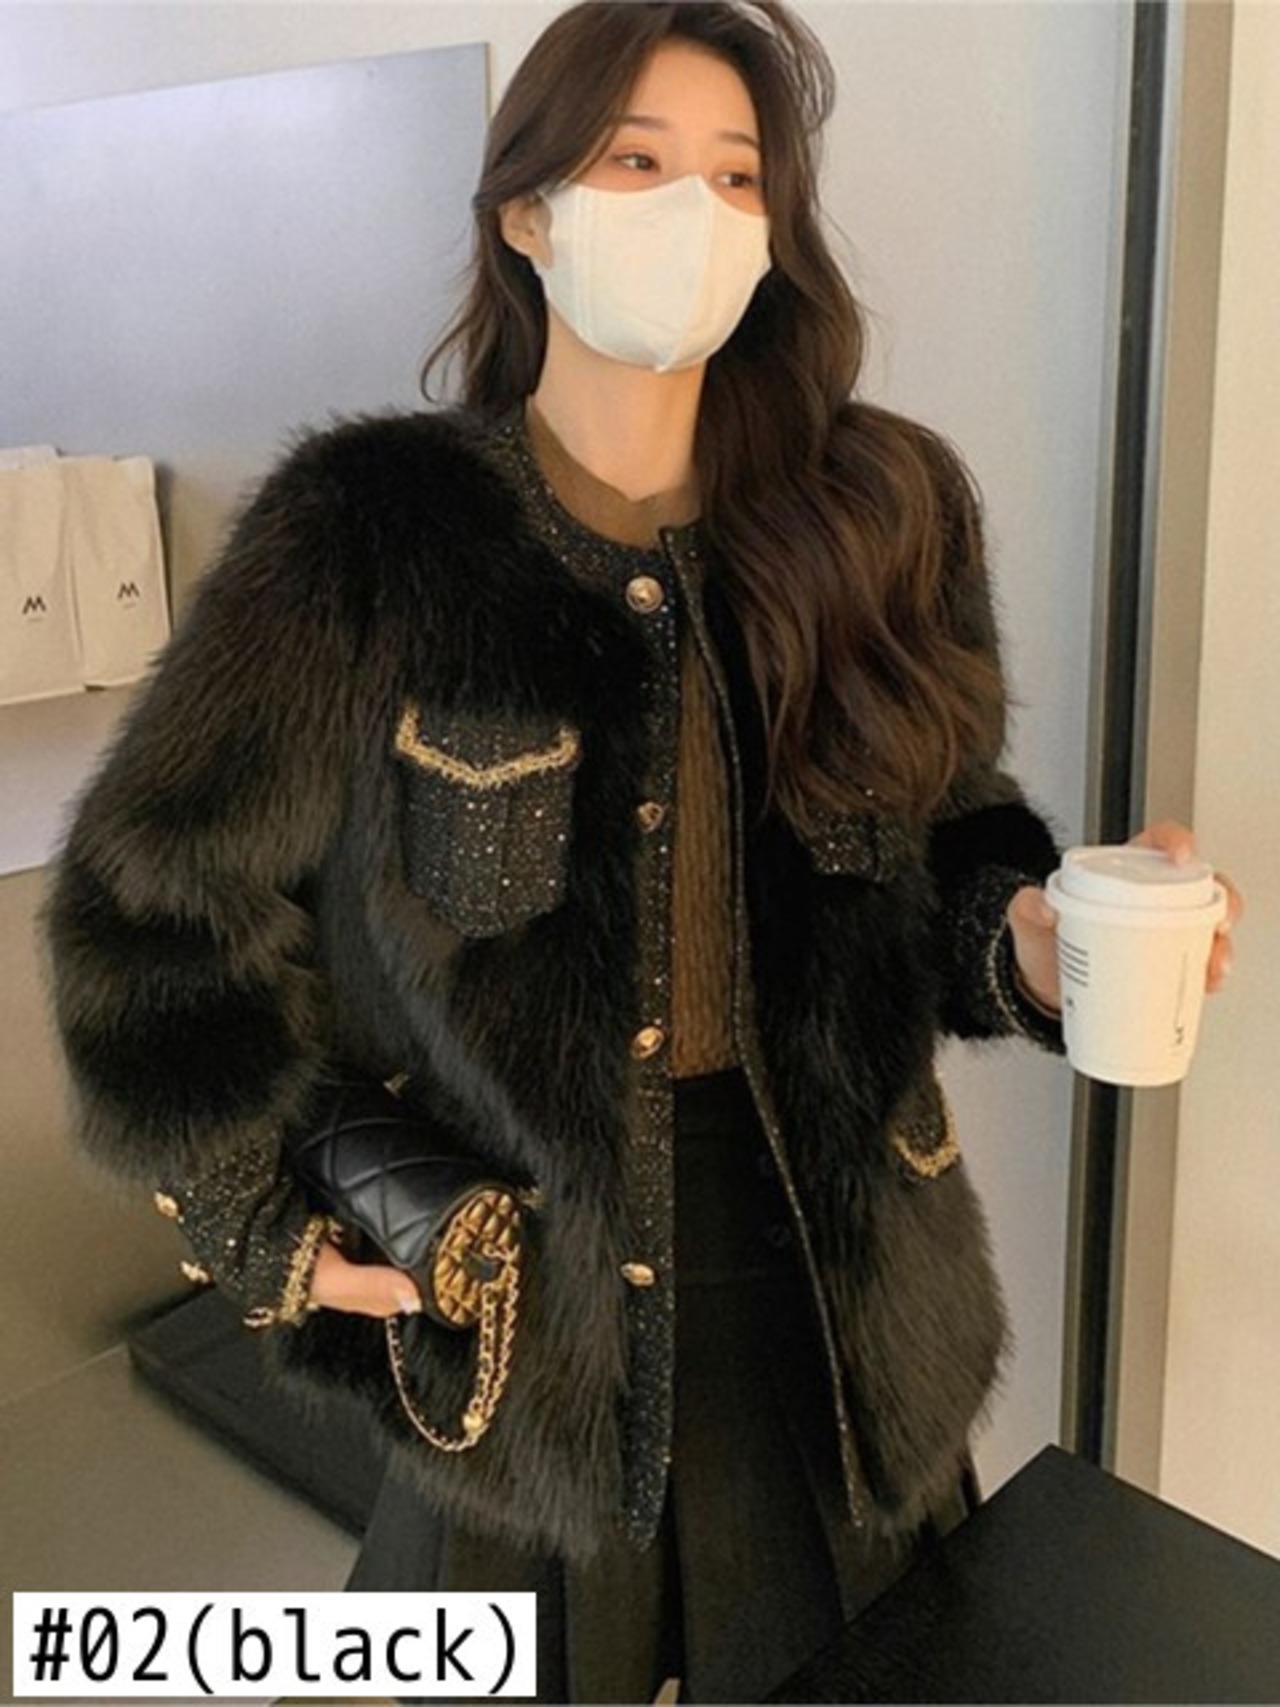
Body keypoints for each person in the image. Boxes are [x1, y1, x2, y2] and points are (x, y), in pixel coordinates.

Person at [45, 3, 1240, 1702]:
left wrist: (1036, 944)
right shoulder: (370, 535)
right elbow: (143, 908)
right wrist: (265, 1229)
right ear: (528, 214)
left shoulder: (878, 515)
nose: (696, 210)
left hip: (835, 1299)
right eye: (637, 160)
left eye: (739, 176)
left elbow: (950, 848)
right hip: (515, 1314)